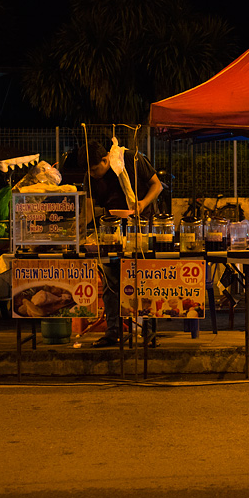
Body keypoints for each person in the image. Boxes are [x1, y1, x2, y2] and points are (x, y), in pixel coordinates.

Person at [81, 141, 163, 348]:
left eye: (94, 169)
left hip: (141, 225)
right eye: (88, 171)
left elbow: (157, 185)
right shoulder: (89, 178)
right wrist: (78, 233)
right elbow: (89, 210)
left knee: (143, 278)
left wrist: (143, 203)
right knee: (111, 280)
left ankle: (149, 331)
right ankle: (113, 332)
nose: (92, 174)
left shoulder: (131, 159)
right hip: (112, 230)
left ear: (105, 159)